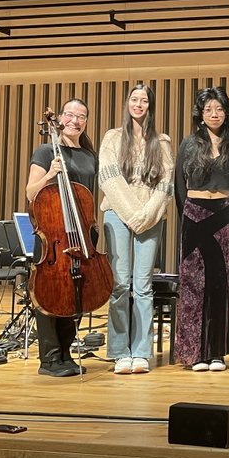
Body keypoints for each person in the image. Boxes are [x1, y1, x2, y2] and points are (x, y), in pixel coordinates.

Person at [99, 83, 174, 375]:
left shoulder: (162, 141)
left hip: (150, 218)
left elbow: (166, 185)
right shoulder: (112, 137)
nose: (138, 105)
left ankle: (141, 352)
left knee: (143, 286)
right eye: (134, 99)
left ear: (150, 106)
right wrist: (132, 213)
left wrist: (146, 215)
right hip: (117, 214)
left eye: (144, 101)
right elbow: (108, 178)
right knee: (120, 284)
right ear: (127, 103)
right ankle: (120, 352)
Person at [173, 87, 229, 371]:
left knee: (222, 282)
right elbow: (179, 185)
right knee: (193, 285)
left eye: (219, 109)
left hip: (226, 214)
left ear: (227, 112)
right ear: (200, 114)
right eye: (208, 109)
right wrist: (188, 215)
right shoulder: (189, 143)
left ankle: (217, 352)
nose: (214, 114)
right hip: (194, 214)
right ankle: (195, 353)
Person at [25, 98, 97, 378]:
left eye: (81, 116)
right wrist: (51, 174)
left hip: (81, 233)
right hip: (53, 233)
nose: (74, 121)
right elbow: (31, 193)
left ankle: (66, 353)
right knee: (50, 295)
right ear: (61, 118)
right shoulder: (46, 152)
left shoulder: (90, 156)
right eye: (69, 115)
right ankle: (50, 358)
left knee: (77, 295)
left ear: (86, 122)